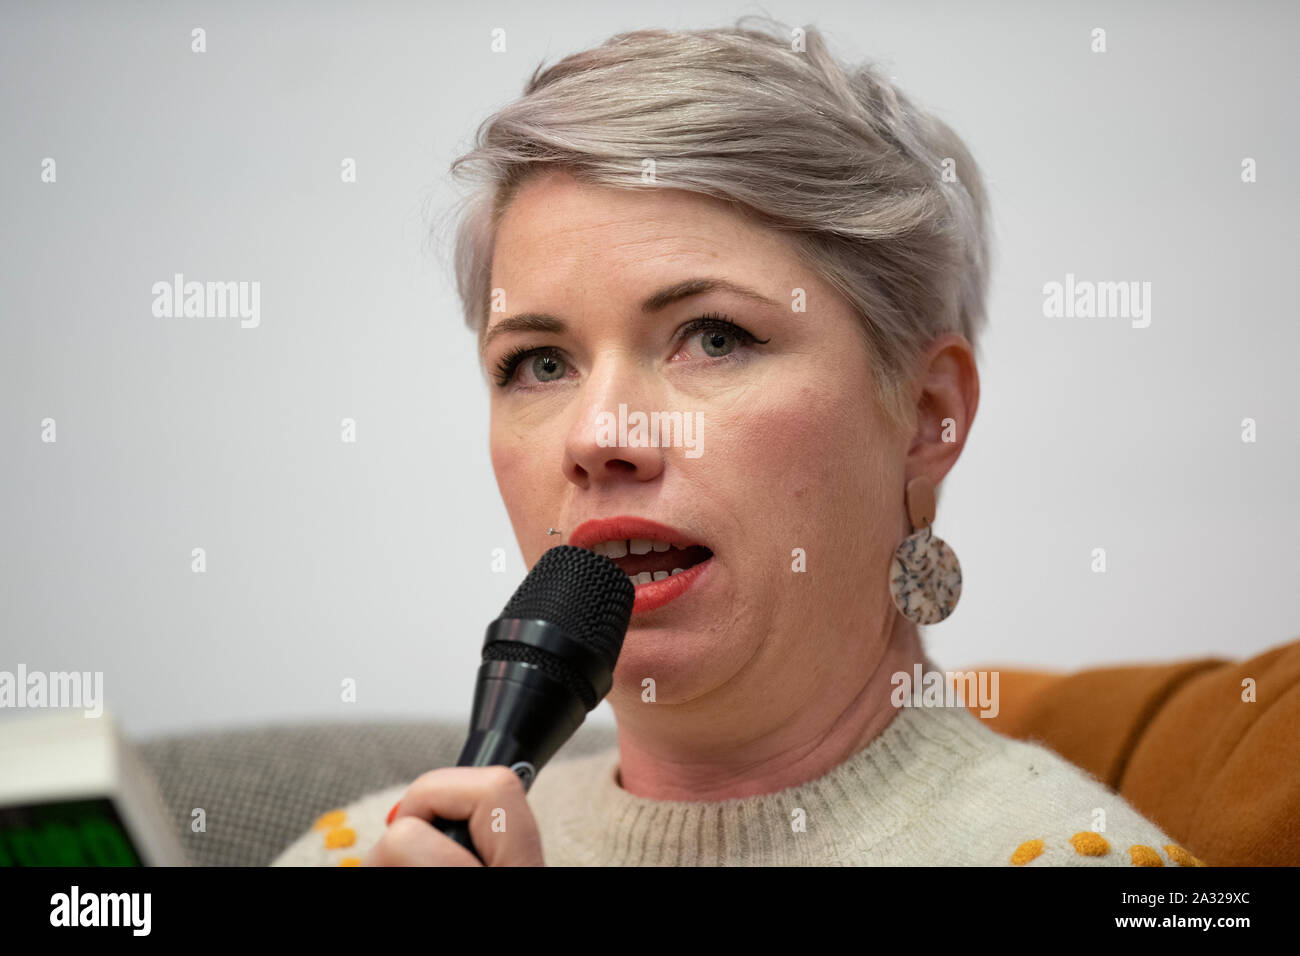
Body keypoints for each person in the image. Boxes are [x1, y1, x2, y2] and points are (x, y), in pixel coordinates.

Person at [273, 16, 1200, 867]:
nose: (601, 437)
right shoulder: (362, 854)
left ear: (926, 416)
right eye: (540, 363)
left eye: (715, 337)